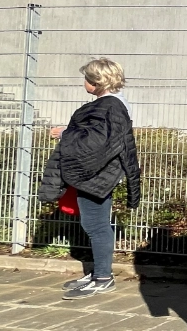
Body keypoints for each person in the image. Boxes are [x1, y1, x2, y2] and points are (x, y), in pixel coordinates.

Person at [39, 58, 141, 301]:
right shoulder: (112, 105)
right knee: (94, 224)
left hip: (96, 174)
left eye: (86, 78)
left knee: (96, 225)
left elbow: (96, 143)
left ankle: (104, 278)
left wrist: (67, 134)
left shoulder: (109, 106)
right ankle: (98, 273)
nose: (83, 81)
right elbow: (99, 136)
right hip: (100, 173)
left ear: (96, 82)